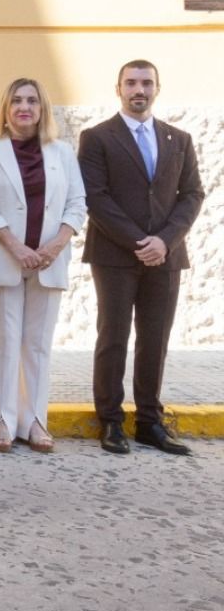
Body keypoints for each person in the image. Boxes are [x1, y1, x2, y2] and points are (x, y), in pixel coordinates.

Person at [78, 59, 206, 456]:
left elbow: (192, 195)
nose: (139, 89)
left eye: (146, 83)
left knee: (155, 340)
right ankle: (111, 422)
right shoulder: (97, 137)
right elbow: (95, 197)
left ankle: (149, 422)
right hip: (114, 255)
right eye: (131, 82)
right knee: (113, 338)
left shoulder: (178, 139)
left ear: (157, 88)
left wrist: (164, 241)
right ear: (118, 88)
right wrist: (140, 241)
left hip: (165, 258)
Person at [0, 77, 87, 454]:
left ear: (42, 108)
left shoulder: (62, 152)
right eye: (16, 100)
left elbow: (78, 203)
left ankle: (34, 420)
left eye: (32, 100)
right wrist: (17, 247)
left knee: (37, 345)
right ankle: (0, 420)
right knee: (4, 342)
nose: (24, 107)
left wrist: (55, 245)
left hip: (49, 261)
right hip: (4, 258)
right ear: (5, 109)